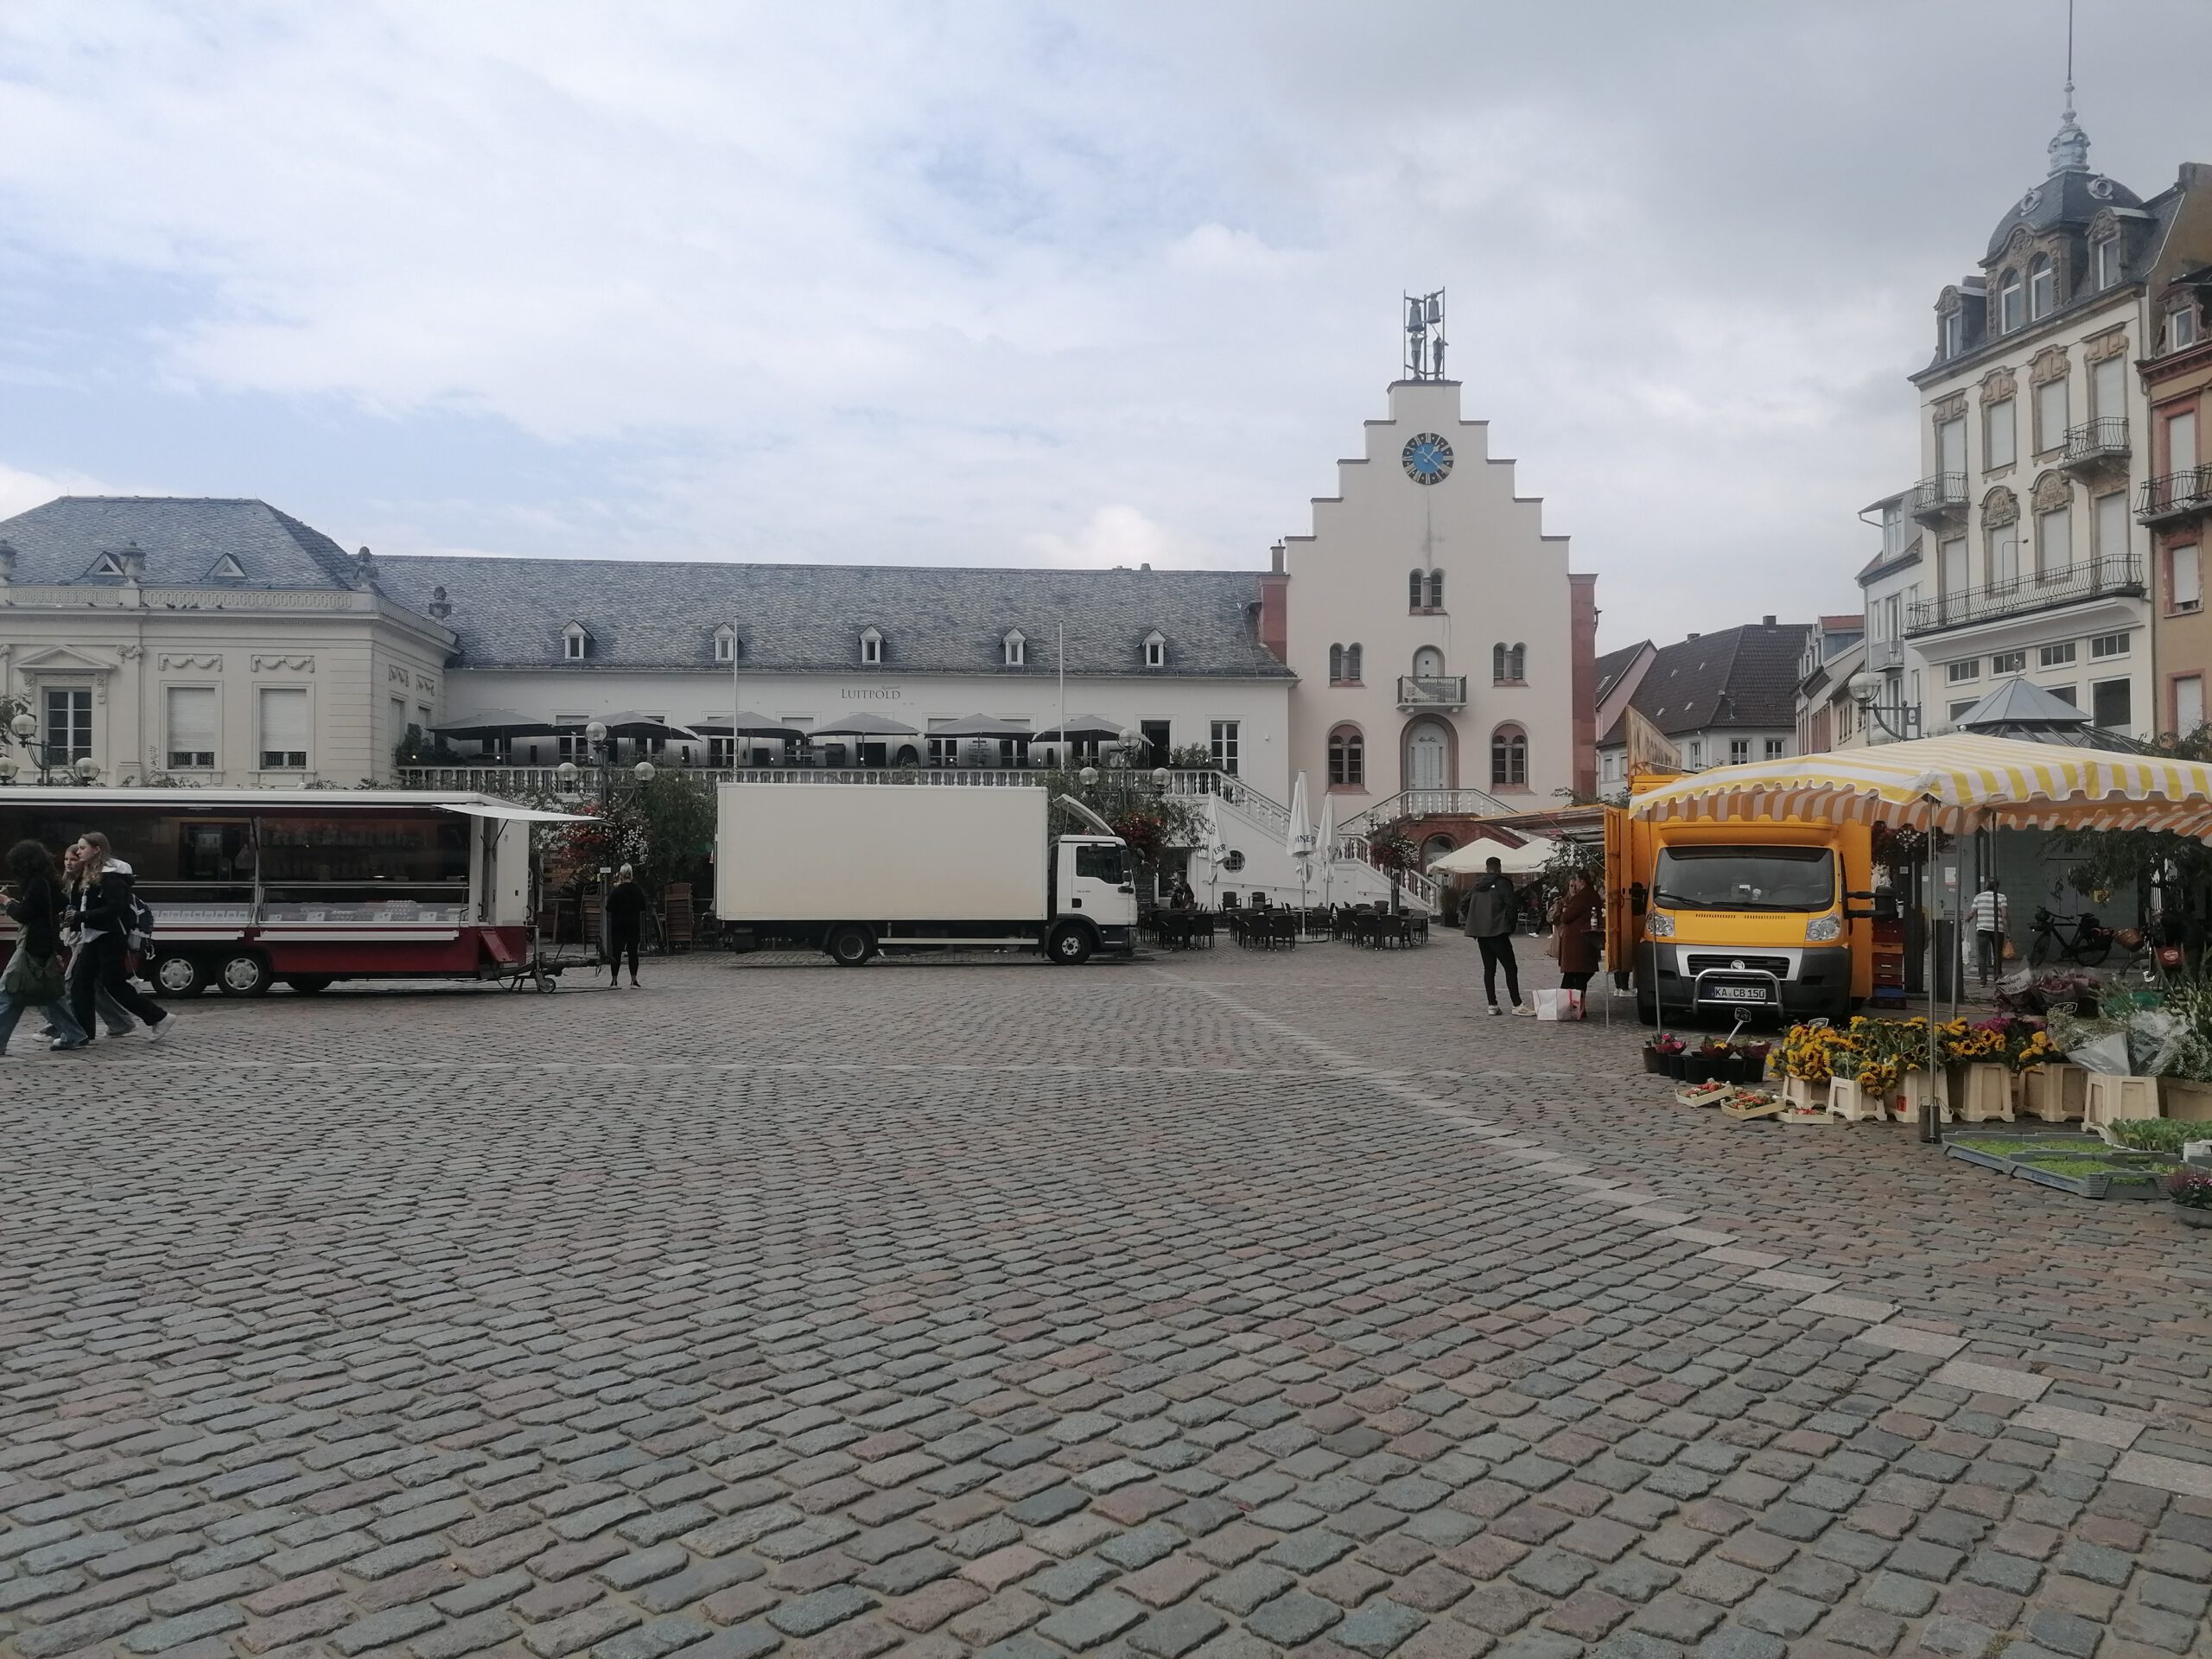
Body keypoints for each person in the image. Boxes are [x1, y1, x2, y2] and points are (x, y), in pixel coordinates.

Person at [67, 833, 171, 1044]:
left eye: (83, 848)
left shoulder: (112, 877)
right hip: (95, 937)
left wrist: (81, 916)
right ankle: (83, 1033)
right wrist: (74, 917)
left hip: (110, 937)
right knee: (81, 984)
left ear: (97, 849)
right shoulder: (90, 873)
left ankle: (160, 1017)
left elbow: (114, 909)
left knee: (113, 984)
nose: (78, 852)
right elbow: (86, 904)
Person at [0, 840, 87, 1054]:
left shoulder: (36, 883)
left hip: (32, 945)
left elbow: (25, 914)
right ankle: (75, 1034)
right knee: (47, 996)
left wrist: (6, 902)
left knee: (9, 991)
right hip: (45, 944)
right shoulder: (47, 881)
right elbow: (57, 904)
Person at [54, 839, 135, 1038]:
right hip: (84, 937)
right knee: (89, 984)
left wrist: (77, 918)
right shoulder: (73, 881)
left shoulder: (95, 880)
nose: (69, 862)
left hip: (90, 937)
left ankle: (66, 1027)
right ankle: (118, 1022)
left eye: (75, 857)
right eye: (66, 859)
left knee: (77, 982)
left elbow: (106, 909)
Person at [1464, 856, 1532, 1016]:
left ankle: (1492, 1004)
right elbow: (1511, 905)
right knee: (1510, 967)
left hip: (1482, 933)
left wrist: (1476, 920)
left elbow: (1464, 904)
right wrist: (1509, 926)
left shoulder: (1477, 885)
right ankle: (1517, 1004)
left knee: (1489, 969)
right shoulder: (1503, 883)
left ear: (1487, 868)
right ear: (1499, 867)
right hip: (1498, 931)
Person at [1554, 869, 1603, 995]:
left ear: (1582, 881)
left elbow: (1566, 917)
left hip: (1577, 943)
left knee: (1573, 976)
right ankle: (1577, 1002)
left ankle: (1568, 1002)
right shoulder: (1594, 895)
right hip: (1586, 940)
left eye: (1576, 880)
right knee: (1579, 975)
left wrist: (1565, 911)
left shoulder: (1582, 897)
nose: (1575, 883)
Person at [607, 864, 646, 988]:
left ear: (621, 875)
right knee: (633, 952)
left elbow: (608, 907)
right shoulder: (637, 890)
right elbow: (643, 907)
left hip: (618, 925)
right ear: (631, 875)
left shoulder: (616, 891)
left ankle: (614, 980)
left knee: (616, 952)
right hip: (633, 924)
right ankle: (634, 980)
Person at [1969, 879, 2010, 984]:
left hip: (1982, 928)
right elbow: (2004, 915)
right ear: (1997, 886)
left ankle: (1983, 980)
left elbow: (1972, 912)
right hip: (1998, 929)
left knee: (1982, 955)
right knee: (1997, 954)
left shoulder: (1978, 897)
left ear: (1987, 885)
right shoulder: (2002, 897)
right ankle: (1997, 977)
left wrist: (1968, 919)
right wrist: (2008, 931)